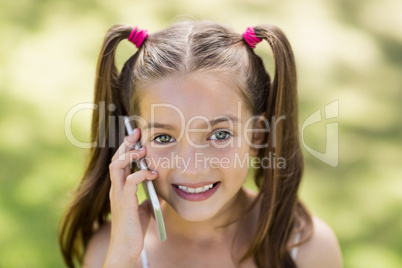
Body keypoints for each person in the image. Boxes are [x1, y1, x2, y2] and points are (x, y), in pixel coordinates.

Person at [59, 20, 342, 268]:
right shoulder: (111, 251)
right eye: (164, 137)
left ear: (258, 136)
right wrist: (121, 260)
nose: (192, 167)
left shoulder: (307, 250)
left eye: (219, 135)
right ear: (132, 139)